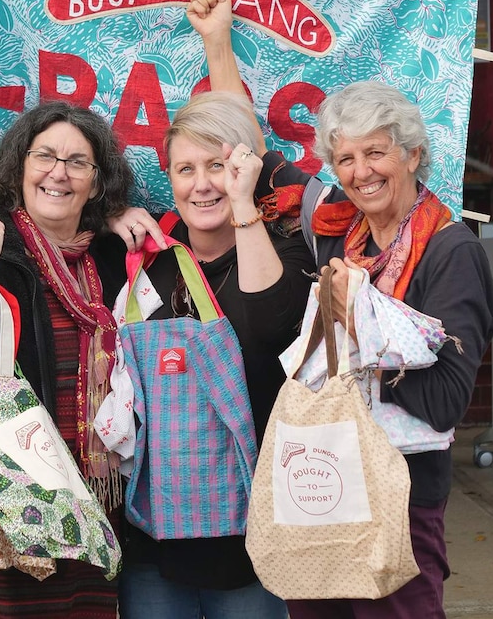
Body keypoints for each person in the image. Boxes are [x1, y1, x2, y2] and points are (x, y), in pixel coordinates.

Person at [190, 0, 493, 619]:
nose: (362, 172)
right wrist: (218, 45)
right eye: (347, 159)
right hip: (323, 480)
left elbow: (444, 403)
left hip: (402, 494)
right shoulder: (334, 226)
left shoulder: (450, 252)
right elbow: (245, 153)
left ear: (414, 155)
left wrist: (358, 335)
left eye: (377, 153)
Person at [115, 86, 313, 619]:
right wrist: (112, 218)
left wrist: (245, 206)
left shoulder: (286, 247)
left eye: (218, 166)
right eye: (185, 169)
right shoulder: (143, 263)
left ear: (244, 170)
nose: (202, 185)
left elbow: (267, 322)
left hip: (249, 539)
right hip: (153, 539)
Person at [0, 100, 142, 619]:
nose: (59, 173)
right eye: (45, 156)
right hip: (10, 499)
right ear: (19, 169)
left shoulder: (114, 260)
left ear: (97, 184)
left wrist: (125, 217)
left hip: (94, 503)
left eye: (79, 163)